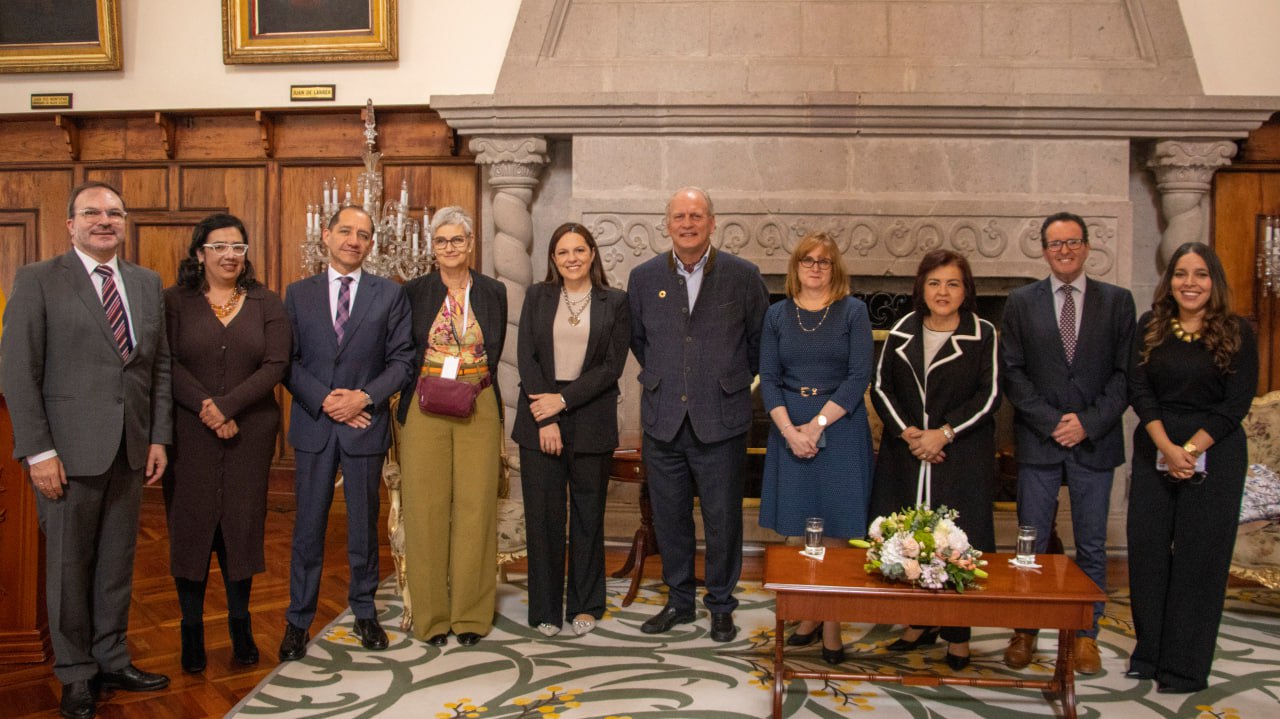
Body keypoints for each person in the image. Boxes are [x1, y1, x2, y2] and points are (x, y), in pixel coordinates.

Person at [1, 181, 172, 719]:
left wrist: (158, 436)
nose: (105, 220)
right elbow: (18, 373)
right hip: (66, 453)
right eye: (92, 212)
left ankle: (111, 656)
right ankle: (75, 673)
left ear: (125, 223)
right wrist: (37, 451)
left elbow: (157, 367)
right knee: (70, 566)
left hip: (130, 449)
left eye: (115, 213)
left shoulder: (146, 283)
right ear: (70, 224)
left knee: (116, 564)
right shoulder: (37, 281)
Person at [628, 186, 769, 642]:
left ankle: (722, 605)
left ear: (712, 223)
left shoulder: (743, 276)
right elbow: (639, 341)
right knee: (669, 516)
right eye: (679, 216)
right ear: (666, 224)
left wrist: (728, 381)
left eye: (697, 215)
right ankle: (679, 601)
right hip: (663, 416)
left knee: (722, 517)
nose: (687, 224)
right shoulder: (644, 277)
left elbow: (758, 343)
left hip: (721, 418)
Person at [999, 211, 1135, 675]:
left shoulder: (1118, 302)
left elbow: (1124, 376)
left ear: (1087, 247)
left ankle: (1085, 636)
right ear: (1043, 249)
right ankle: (1025, 629)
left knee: (1092, 545)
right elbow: (1012, 372)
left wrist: (1087, 423)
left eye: (1073, 242)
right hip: (1040, 440)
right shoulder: (1020, 301)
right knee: (1029, 543)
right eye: (1056, 244)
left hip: (1094, 442)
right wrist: (1054, 421)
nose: (1065, 250)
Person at [279, 205, 414, 662]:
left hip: (365, 427)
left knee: (362, 527)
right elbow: (287, 362)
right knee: (307, 529)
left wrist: (363, 399)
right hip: (315, 426)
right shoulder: (297, 295)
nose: (353, 240)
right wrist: (326, 400)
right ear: (327, 236)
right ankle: (298, 621)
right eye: (345, 231)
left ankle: (364, 612)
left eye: (363, 234)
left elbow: (402, 362)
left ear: (372, 244)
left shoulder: (389, 295)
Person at [1127, 242, 1257, 694]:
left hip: (1215, 452)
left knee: (1199, 561)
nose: (1190, 283)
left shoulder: (1239, 330)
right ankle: (1149, 654)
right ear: (1170, 281)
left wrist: (1192, 449)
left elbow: (1236, 403)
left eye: (1200, 274)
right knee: (1147, 554)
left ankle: (1183, 667)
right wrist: (1166, 446)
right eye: (1181, 273)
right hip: (1155, 447)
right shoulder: (1151, 326)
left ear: (1213, 281)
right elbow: (1139, 390)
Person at [162, 213, 290, 673]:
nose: (231, 254)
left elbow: (276, 364)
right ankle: (190, 630)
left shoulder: (265, 302)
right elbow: (167, 363)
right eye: (219, 246)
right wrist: (208, 409)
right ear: (199, 254)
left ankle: (241, 625)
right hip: (189, 434)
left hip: (249, 436)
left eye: (238, 246)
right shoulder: (174, 302)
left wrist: (229, 407)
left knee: (241, 528)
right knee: (191, 529)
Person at [870, 249, 1000, 671]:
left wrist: (944, 432)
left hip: (960, 458)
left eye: (953, 283)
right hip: (906, 456)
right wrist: (908, 433)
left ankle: (958, 637)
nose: (943, 292)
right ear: (921, 289)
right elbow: (880, 388)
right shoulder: (902, 331)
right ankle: (917, 623)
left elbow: (990, 395)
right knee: (908, 537)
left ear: (967, 290)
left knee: (958, 544)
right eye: (934, 283)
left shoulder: (984, 334)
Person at [758, 232, 874, 665]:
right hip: (789, 424)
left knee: (837, 530)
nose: (815, 266)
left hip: (840, 427)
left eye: (824, 261)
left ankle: (832, 623)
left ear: (835, 268)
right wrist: (791, 430)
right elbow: (767, 379)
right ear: (795, 266)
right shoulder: (776, 315)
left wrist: (818, 423)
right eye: (807, 259)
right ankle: (807, 614)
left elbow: (859, 376)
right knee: (800, 530)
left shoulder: (853, 312)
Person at [513, 223, 631, 638]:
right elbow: (526, 356)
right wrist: (546, 414)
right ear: (553, 259)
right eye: (562, 252)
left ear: (593, 254)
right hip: (538, 415)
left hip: (591, 417)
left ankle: (585, 604)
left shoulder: (615, 301)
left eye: (579, 250)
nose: (571, 259)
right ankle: (545, 609)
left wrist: (563, 402)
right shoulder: (537, 296)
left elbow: (611, 367)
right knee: (544, 518)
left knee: (587, 517)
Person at [396, 206, 507, 647]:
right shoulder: (414, 292)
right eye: (441, 241)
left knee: (477, 508)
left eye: (456, 240)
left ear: (470, 243)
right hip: (425, 406)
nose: (449, 248)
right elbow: (404, 350)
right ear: (432, 247)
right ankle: (431, 618)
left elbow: (496, 350)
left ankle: (470, 617)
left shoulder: (494, 291)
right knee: (425, 509)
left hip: (478, 402)